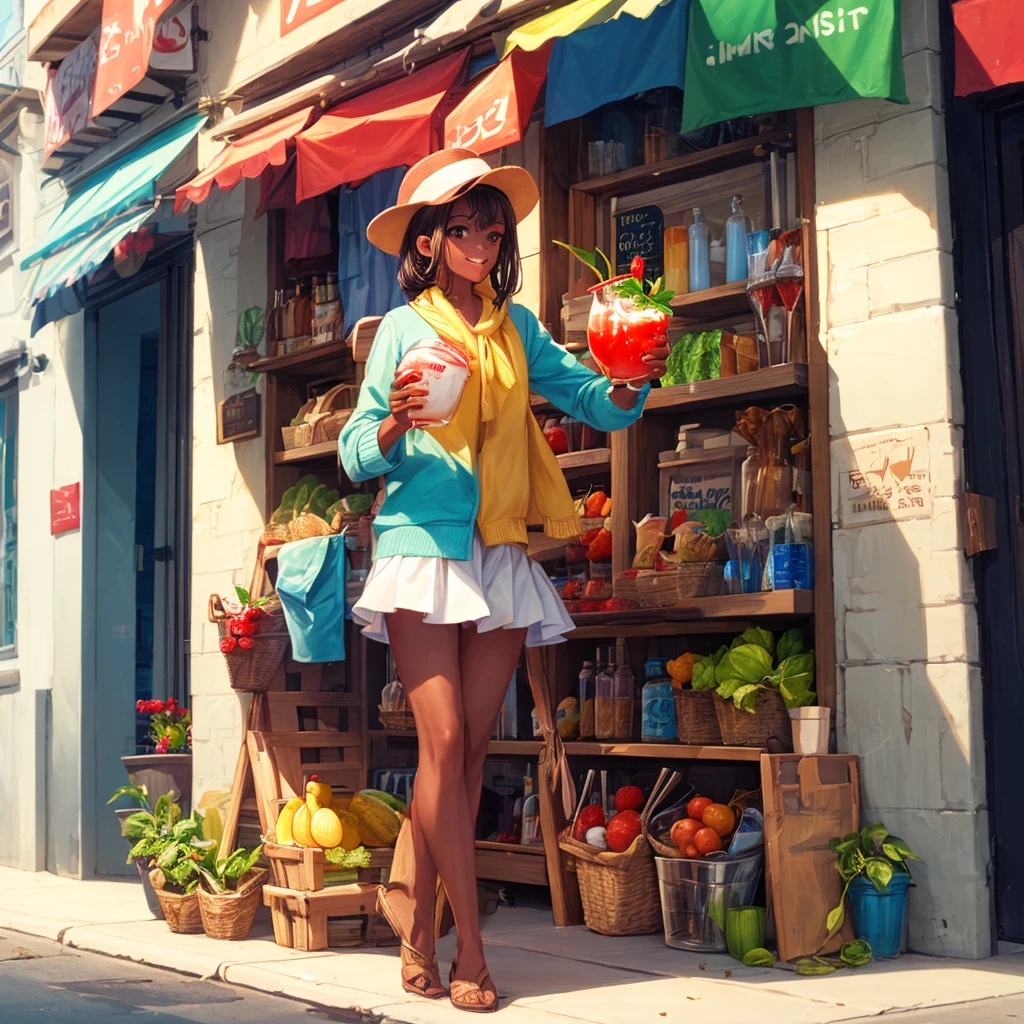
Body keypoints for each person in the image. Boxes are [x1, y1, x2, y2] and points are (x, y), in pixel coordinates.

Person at [339, 148, 668, 1013]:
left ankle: (413, 927)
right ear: (428, 240)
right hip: (418, 547)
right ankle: (470, 950)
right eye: (462, 228)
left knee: (468, 757)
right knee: (442, 745)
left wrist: (632, 381)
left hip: (499, 550)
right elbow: (350, 447)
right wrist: (392, 425)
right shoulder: (402, 330)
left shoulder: (516, 327)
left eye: (491, 228)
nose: (481, 241)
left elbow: (586, 397)